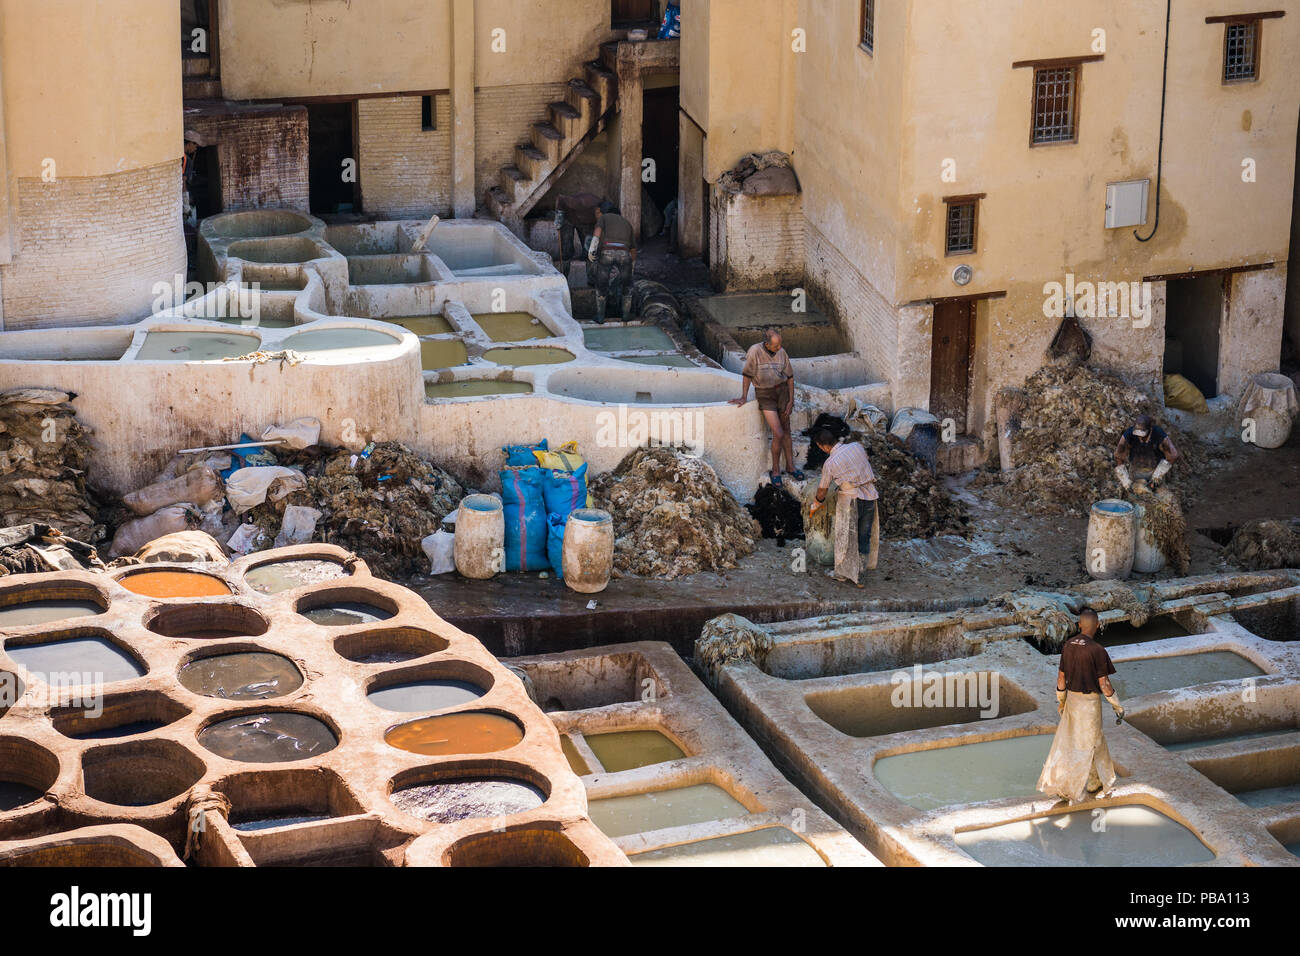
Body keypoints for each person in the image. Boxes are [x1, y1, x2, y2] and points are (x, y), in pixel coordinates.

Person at [1037, 608, 1125, 804]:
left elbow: (1061, 678)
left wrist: (1061, 700)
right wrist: (1117, 705)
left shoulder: (1068, 645)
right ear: (1098, 625)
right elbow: (1104, 684)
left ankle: (1092, 782)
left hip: (1072, 701)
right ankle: (1071, 787)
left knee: (1071, 742)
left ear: (1079, 625)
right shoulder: (1097, 650)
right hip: (1089, 704)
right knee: (1090, 744)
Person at [729, 327, 803, 485]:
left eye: (780, 344)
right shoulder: (754, 351)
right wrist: (743, 396)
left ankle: (791, 466)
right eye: (776, 346)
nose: (779, 348)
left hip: (782, 391)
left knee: (786, 429)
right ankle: (776, 470)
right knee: (778, 432)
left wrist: (791, 400)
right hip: (765, 394)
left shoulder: (782, 352)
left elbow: (790, 377)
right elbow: (747, 375)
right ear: (767, 344)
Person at [809, 429, 879, 587]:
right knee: (864, 535)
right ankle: (860, 573)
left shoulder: (830, 463)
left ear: (823, 446)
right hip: (870, 496)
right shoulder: (857, 446)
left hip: (851, 501)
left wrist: (816, 504)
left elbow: (822, 490)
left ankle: (842, 574)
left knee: (846, 538)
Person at [588, 201, 637, 322]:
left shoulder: (604, 217)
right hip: (624, 254)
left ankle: (600, 317)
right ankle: (625, 315)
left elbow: (597, 232)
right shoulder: (627, 223)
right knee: (627, 285)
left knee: (601, 283)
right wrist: (632, 266)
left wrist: (592, 250)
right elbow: (633, 249)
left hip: (607, 252)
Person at [1115, 413, 1179, 491]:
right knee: (1133, 496)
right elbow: (1119, 456)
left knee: (1156, 498)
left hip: (1154, 470)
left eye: (1142, 434)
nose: (1140, 436)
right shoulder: (1129, 434)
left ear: (1150, 429)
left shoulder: (1158, 434)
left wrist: (1157, 476)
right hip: (1135, 471)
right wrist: (1125, 480)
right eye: (1137, 433)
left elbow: (1173, 455)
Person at [554, 192, 603, 283]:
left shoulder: (597, 216)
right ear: (598, 210)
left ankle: (591, 280)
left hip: (585, 223)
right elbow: (560, 198)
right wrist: (559, 217)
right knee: (566, 249)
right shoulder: (579, 202)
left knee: (589, 251)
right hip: (569, 219)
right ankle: (564, 277)